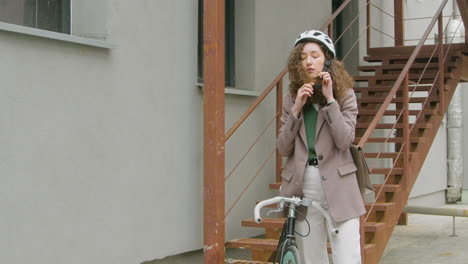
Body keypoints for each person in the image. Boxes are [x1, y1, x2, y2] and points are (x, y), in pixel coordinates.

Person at [277, 30, 365, 264]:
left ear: (327, 59)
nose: (308, 61)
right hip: (304, 186)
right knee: (312, 258)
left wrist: (330, 101)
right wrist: (296, 109)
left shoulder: (345, 94)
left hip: (341, 185)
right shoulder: (291, 98)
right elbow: (283, 148)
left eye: (314, 55)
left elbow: (345, 140)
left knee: (348, 257)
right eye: (303, 57)